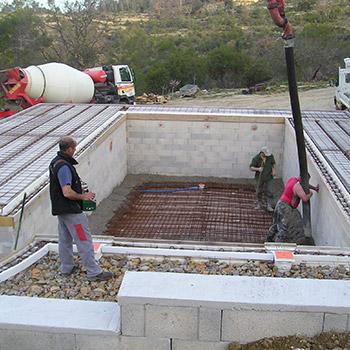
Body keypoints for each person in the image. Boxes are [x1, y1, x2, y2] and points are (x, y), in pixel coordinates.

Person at [49, 136, 113, 281]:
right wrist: (83, 196)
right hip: (72, 211)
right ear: (69, 148)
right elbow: (67, 192)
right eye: (74, 148)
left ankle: (67, 267)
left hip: (62, 211)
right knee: (83, 239)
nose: (75, 151)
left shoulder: (54, 162)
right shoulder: (64, 166)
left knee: (65, 240)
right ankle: (93, 272)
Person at [267, 175, 319, 244]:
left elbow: (305, 185)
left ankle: (269, 239)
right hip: (285, 207)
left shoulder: (293, 180)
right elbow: (305, 198)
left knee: (276, 224)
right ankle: (278, 244)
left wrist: (314, 188)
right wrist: (311, 193)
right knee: (284, 228)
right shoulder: (297, 187)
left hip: (280, 203)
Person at [250, 146, 276, 212]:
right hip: (260, 178)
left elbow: (273, 164)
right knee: (259, 190)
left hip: (269, 177)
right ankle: (259, 203)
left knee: (269, 190)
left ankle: (269, 205)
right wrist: (258, 169)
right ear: (262, 153)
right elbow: (251, 167)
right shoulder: (256, 158)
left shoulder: (270, 157)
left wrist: (273, 171)